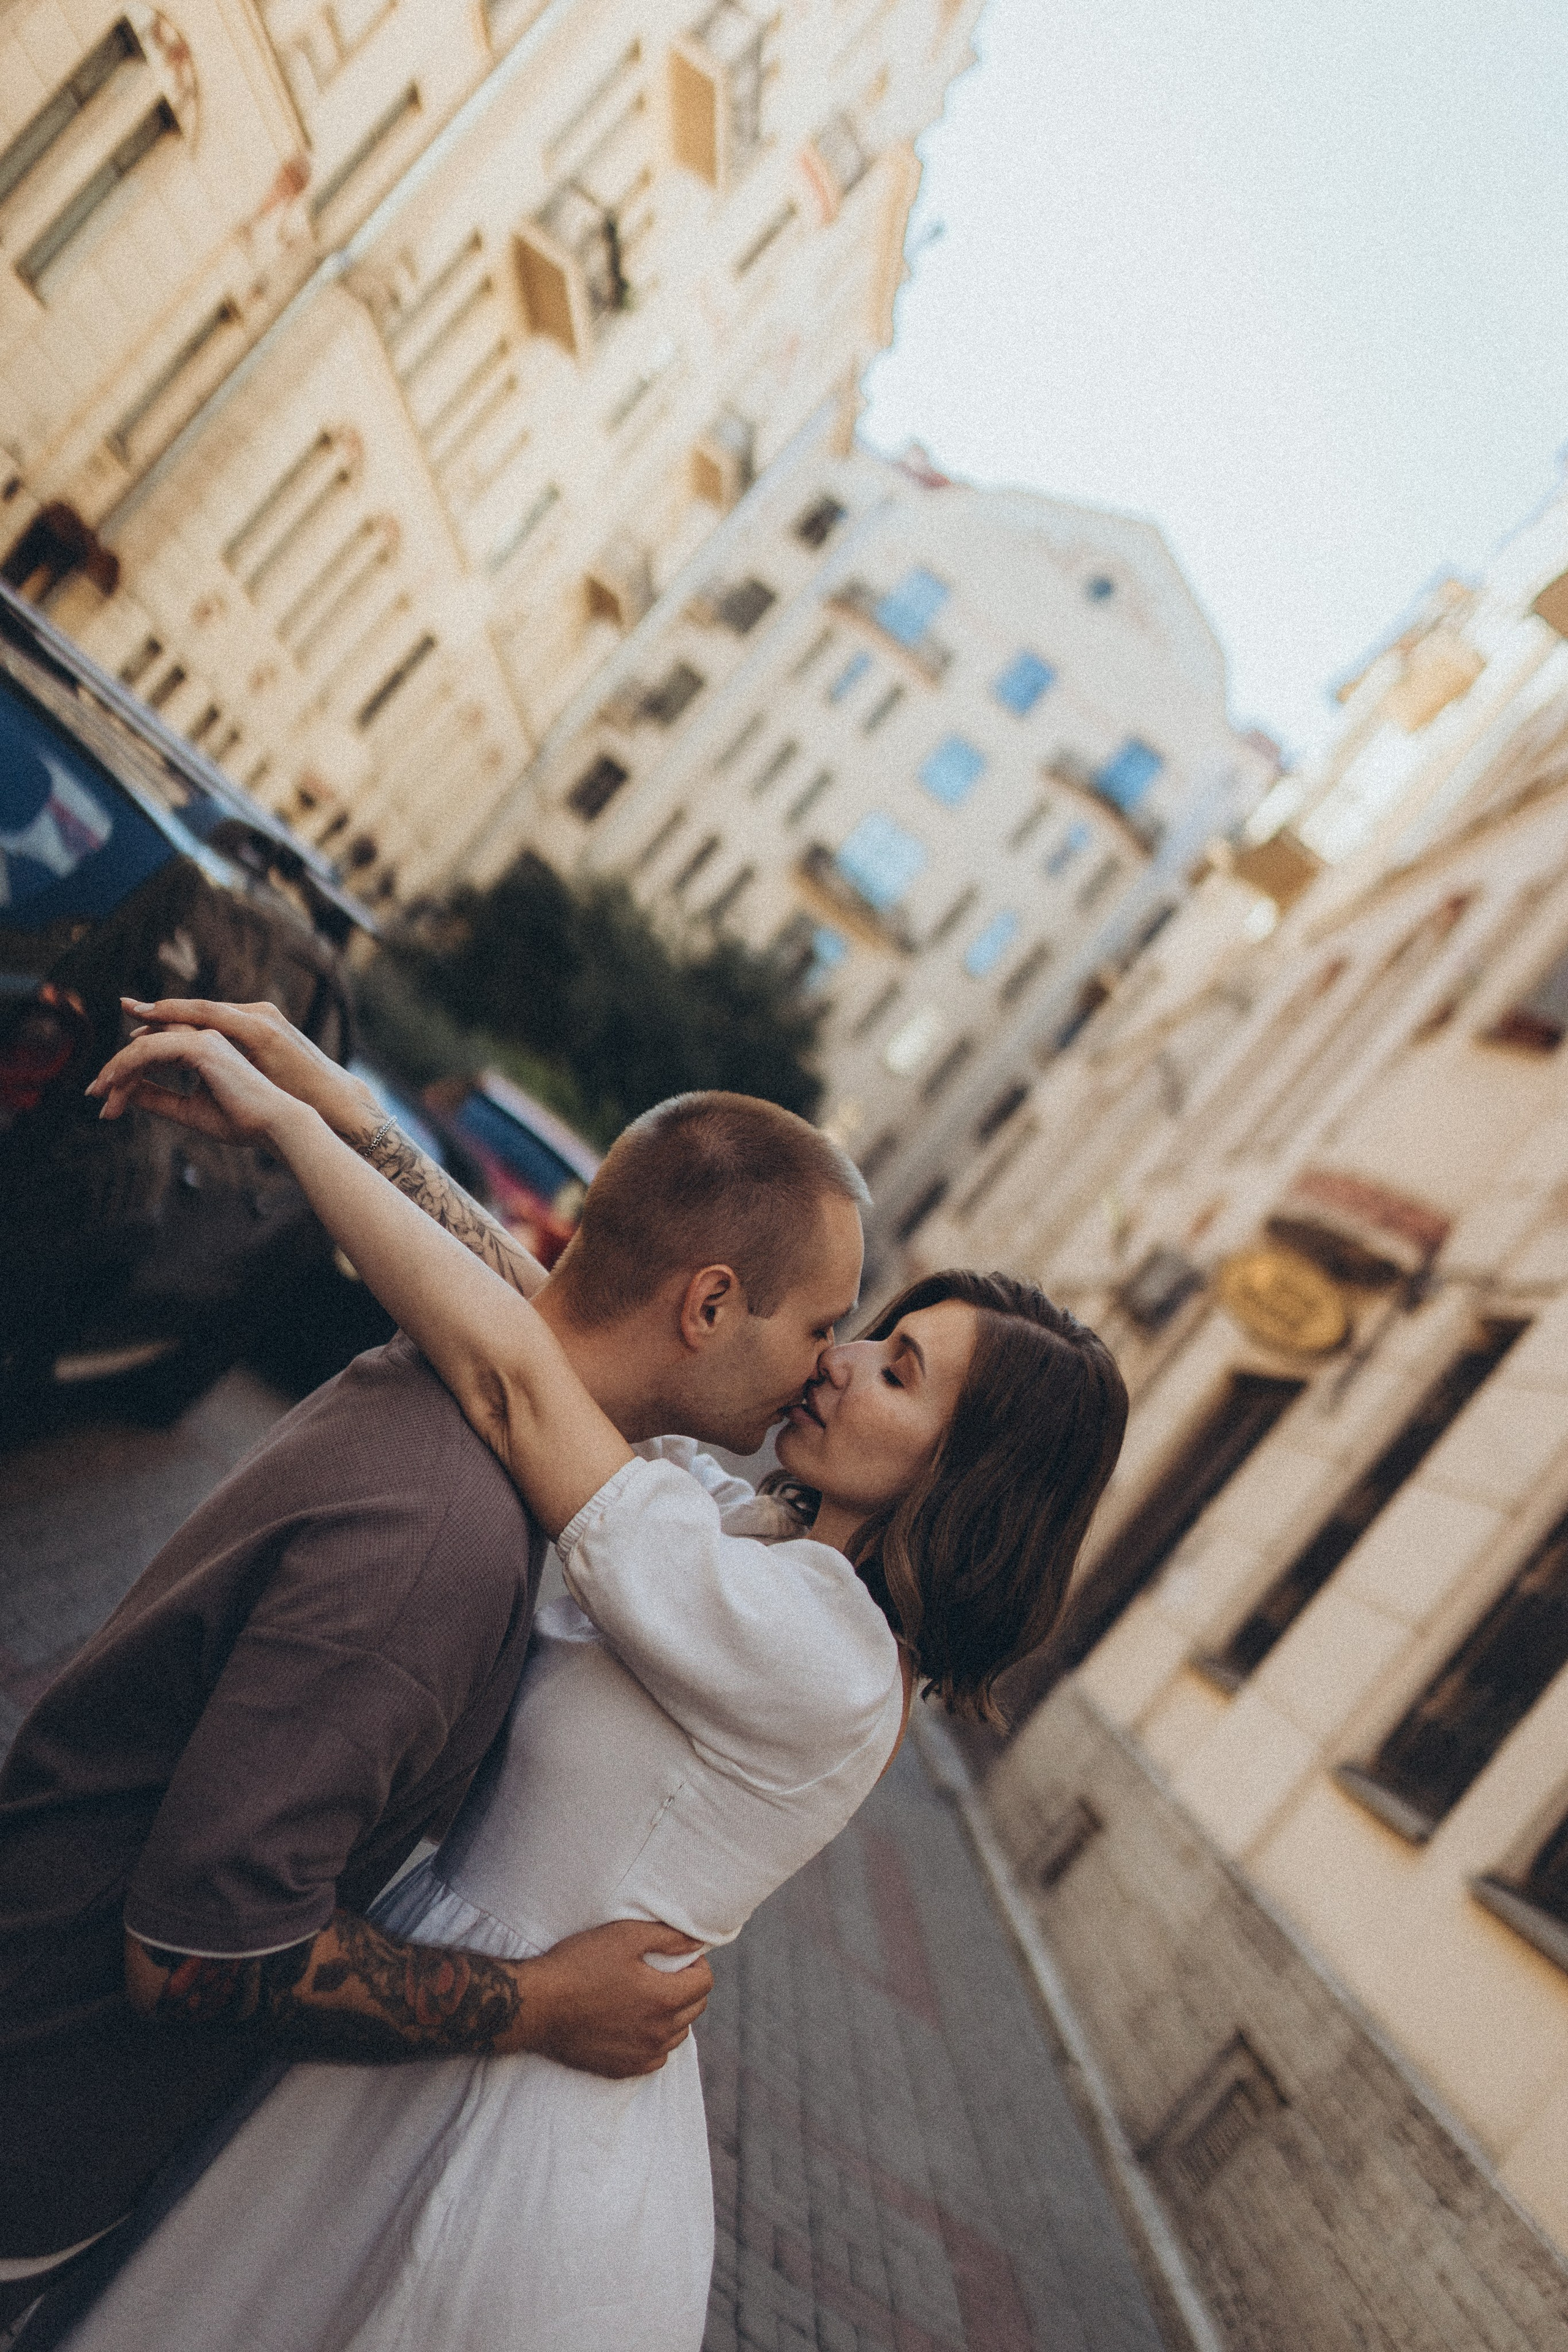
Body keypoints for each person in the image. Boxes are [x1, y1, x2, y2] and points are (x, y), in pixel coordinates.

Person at [36, 1009, 1129, 2351]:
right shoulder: (755, 1547)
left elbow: (517, 1382)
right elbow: (550, 1325)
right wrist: (337, 1101)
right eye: (858, 1331)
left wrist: (290, 1128)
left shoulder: (824, 1656)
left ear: (963, 1482)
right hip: (467, 2011)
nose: (836, 1360)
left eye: (891, 1368)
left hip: (510, 2109)